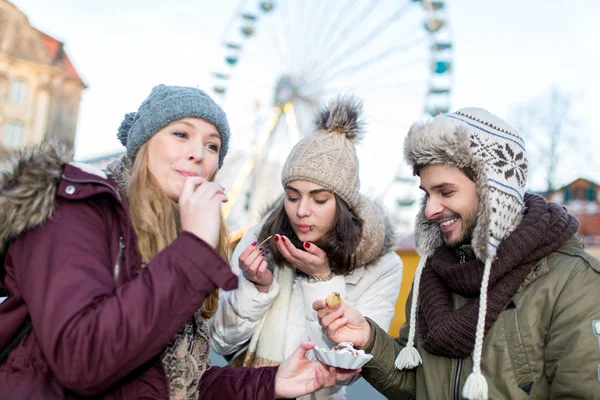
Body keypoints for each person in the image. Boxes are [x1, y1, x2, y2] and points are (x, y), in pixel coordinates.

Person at [0, 84, 358, 399]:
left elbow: (175, 381)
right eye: (181, 135)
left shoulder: (172, 236)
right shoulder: (78, 208)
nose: (198, 154)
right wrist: (194, 251)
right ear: (143, 142)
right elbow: (82, 362)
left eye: (212, 145)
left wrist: (271, 383)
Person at [314, 107, 600, 399]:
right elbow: (417, 384)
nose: (429, 209)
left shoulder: (574, 282)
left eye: (446, 192)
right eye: (427, 193)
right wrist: (369, 339)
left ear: (493, 190)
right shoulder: (434, 271)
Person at [210, 96, 403, 399]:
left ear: (343, 203)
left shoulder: (381, 265)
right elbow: (221, 343)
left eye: (319, 199)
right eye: (292, 195)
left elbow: (347, 371)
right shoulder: (259, 239)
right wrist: (256, 288)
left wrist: (322, 280)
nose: (301, 210)